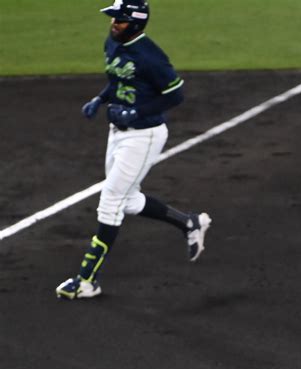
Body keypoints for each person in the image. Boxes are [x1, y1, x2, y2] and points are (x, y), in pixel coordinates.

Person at [56, 0, 211, 300]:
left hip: (145, 135)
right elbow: (118, 79)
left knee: (110, 201)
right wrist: (100, 99)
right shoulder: (112, 43)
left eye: (121, 20)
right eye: (114, 19)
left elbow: (175, 94)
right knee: (126, 200)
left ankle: (87, 280)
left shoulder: (150, 56)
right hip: (117, 132)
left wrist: (137, 113)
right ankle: (188, 222)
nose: (114, 24)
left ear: (137, 24)